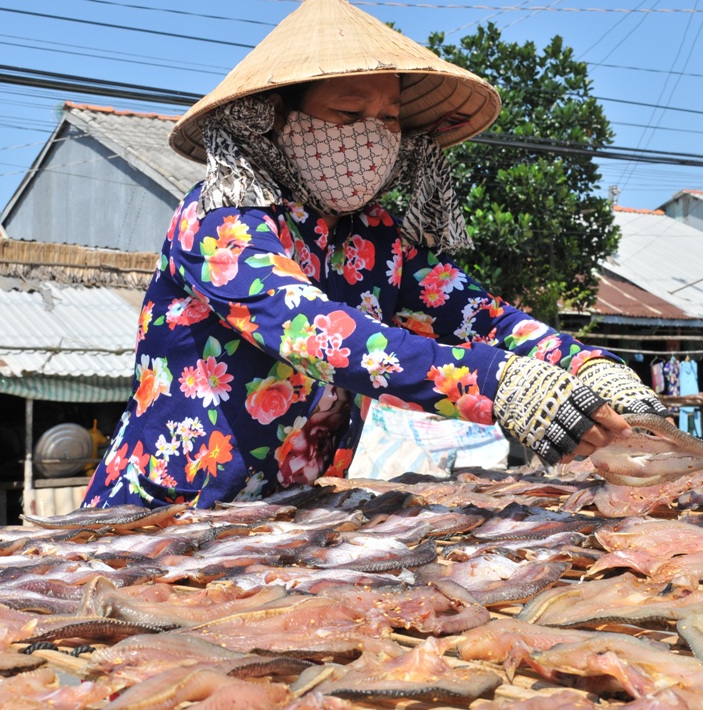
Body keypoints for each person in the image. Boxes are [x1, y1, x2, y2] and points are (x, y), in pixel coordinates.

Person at [82, 0, 668, 510]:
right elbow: (317, 335)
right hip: (164, 512)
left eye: (388, 119)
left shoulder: (378, 241)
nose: (372, 135)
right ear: (275, 121)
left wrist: (582, 363)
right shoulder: (220, 222)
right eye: (346, 114)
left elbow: (477, 315)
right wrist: (500, 385)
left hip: (292, 518)